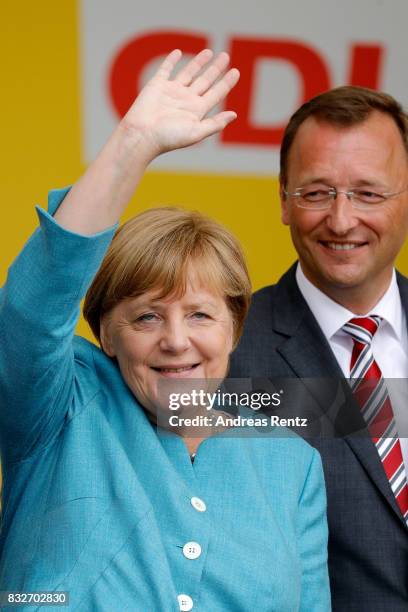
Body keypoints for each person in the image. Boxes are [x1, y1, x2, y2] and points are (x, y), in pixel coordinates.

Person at [0, 50, 330, 611]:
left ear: (233, 328)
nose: (176, 340)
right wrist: (132, 146)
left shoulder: (290, 464)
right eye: (147, 316)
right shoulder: (63, 408)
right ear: (105, 333)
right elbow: (32, 313)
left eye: (200, 315)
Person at [230, 86, 408, 611]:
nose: (342, 219)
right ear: (283, 201)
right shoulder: (227, 354)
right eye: (316, 192)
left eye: (369, 193)